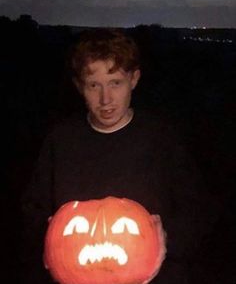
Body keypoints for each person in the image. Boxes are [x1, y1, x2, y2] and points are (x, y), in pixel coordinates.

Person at [20, 27, 214, 284]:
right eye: (93, 85)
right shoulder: (61, 140)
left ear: (133, 79)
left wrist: (166, 237)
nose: (105, 99)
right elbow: (32, 211)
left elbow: (198, 210)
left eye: (115, 83)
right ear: (80, 87)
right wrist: (48, 238)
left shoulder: (162, 137)